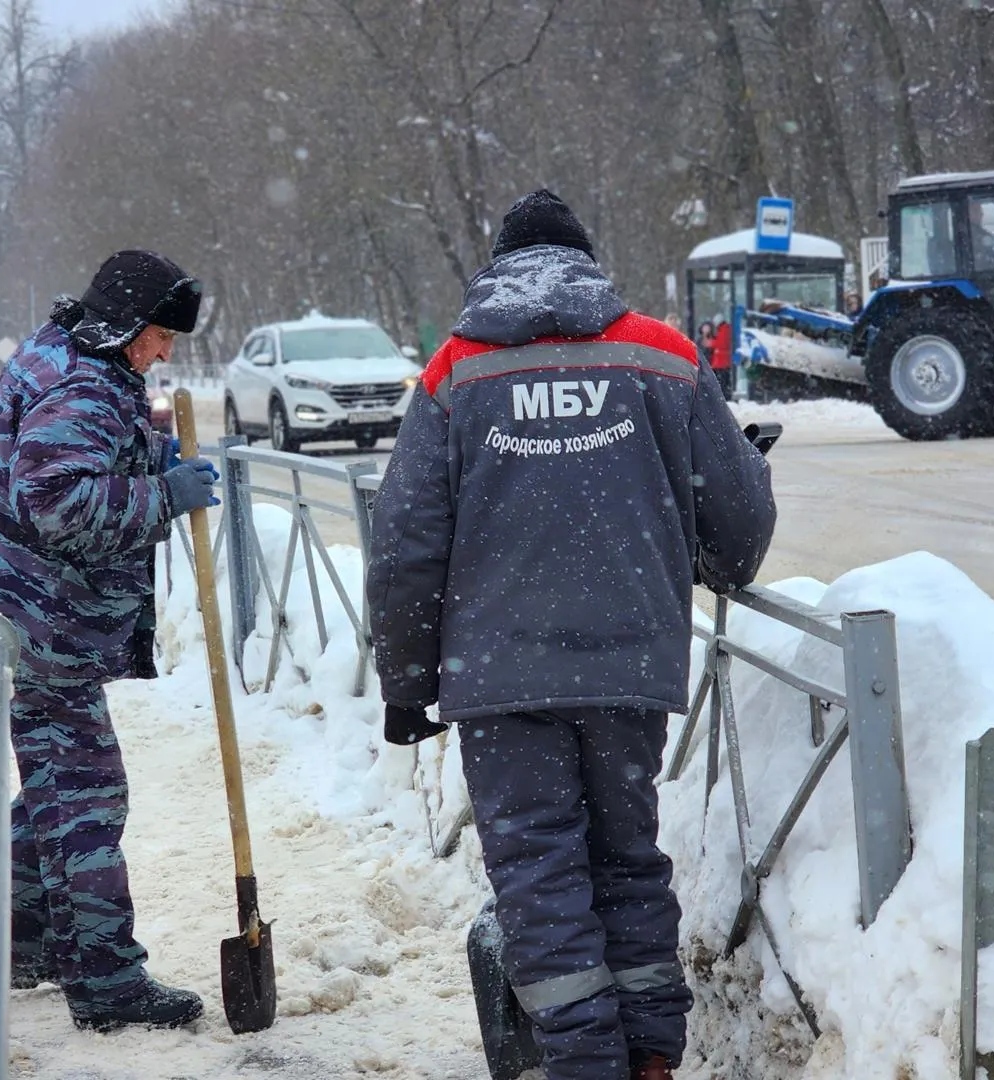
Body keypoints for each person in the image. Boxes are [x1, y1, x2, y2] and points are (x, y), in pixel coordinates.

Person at [367, 190, 777, 1080]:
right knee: (627, 858)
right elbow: (736, 536)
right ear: (589, 265)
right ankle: (651, 1059)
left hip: (500, 681)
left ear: (496, 270)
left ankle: (582, 1060)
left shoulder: (453, 373)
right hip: (630, 671)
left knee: (540, 877)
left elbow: (405, 544)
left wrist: (406, 684)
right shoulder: (662, 357)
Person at [0, 250, 221, 1032]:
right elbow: (60, 505)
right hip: (43, 623)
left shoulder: (72, 355)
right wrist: (160, 494)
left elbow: (70, 461)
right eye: (160, 335)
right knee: (86, 800)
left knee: (55, 795)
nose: (166, 351)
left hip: (25, 617)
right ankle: (107, 986)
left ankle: (18, 942)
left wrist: (143, 457)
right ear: (125, 327)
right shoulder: (81, 381)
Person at [710, 315, 735, 399]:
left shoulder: (724, 330)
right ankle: (725, 395)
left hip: (721, 363)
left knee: (722, 381)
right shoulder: (724, 329)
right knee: (723, 381)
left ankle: (724, 396)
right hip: (722, 362)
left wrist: (712, 343)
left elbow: (722, 344)